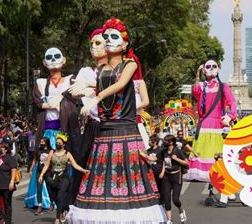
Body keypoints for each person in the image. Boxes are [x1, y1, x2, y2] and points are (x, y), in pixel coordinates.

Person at [67, 18, 166, 223]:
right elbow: (98, 87)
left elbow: (120, 84)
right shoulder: (101, 70)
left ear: (125, 43)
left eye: (115, 37)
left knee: (130, 180)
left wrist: (94, 97)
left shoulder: (129, 64)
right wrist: (83, 91)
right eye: (106, 37)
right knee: (101, 181)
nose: (109, 40)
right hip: (104, 132)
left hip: (126, 131)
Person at [67, 28, 108, 204]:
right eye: (91, 43)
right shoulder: (85, 71)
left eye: (98, 43)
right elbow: (74, 91)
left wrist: (89, 87)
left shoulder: (118, 69)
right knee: (84, 161)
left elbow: (116, 89)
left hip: (114, 124)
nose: (93, 47)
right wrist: (90, 88)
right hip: (93, 125)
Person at [185, 59, 236, 182]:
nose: (211, 68)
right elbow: (195, 91)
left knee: (216, 150)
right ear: (204, 69)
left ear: (218, 69)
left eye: (214, 66)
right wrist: (198, 75)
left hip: (217, 124)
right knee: (203, 150)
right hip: (203, 124)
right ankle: (204, 173)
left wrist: (230, 116)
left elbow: (232, 102)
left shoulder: (223, 86)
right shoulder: (202, 86)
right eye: (208, 66)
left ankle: (217, 171)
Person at [38, 133, 89, 224]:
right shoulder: (52, 152)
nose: (58, 144)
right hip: (53, 177)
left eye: (59, 143)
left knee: (60, 196)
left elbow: (75, 165)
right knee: (55, 197)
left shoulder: (68, 154)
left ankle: (57, 218)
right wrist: (41, 175)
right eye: (57, 142)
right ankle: (63, 210)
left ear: (63, 144)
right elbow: (46, 165)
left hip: (64, 178)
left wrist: (83, 170)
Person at [151, 135, 189, 224]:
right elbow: (153, 158)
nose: (164, 142)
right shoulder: (163, 151)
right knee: (166, 199)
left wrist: (176, 159)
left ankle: (181, 210)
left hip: (176, 176)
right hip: (166, 177)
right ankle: (169, 220)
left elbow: (186, 162)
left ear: (171, 142)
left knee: (175, 200)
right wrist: (142, 155)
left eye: (166, 141)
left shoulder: (178, 151)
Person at [25, 137, 55, 214]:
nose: (41, 143)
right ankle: (39, 206)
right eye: (40, 141)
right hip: (39, 171)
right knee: (39, 189)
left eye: (42, 142)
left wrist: (54, 172)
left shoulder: (51, 151)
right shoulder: (38, 150)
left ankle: (52, 203)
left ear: (46, 143)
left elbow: (53, 162)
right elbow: (34, 160)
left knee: (49, 189)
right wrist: (30, 170)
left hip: (48, 172)